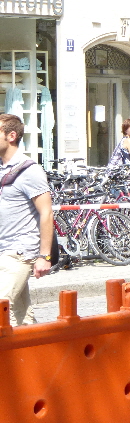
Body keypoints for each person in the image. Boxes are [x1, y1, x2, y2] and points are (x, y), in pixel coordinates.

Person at [0, 114, 53, 325]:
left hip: (20, 252)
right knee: (22, 317)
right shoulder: (2, 168)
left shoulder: (30, 170)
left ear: (11, 136)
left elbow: (46, 212)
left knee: (2, 306)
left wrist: (44, 256)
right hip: (4, 249)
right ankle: (37, 345)